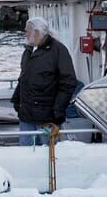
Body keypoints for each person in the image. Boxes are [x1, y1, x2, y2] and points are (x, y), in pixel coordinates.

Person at [11, 17, 77, 146]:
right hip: (26, 115)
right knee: (25, 150)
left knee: (49, 152)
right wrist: (16, 99)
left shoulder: (58, 50)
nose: (25, 34)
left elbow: (68, 82)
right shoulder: (28, 51)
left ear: (36, 32)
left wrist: (58, 109)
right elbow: (23, 78)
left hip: (47, 116)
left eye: (27, 31)